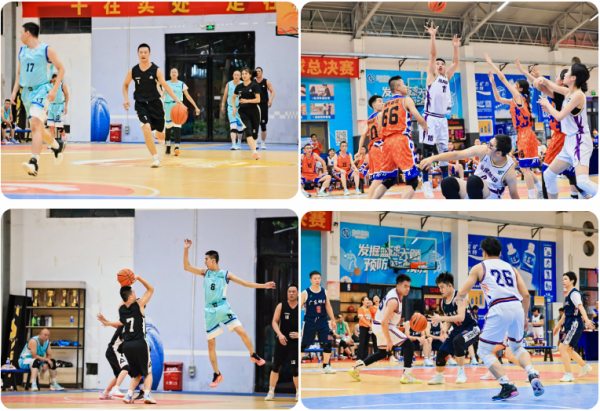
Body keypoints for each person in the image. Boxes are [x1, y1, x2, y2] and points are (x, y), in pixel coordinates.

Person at [455, 236, 544, 401]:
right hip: (517, 306)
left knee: (484, 351)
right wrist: (525, 317)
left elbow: (463, 291)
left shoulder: (479, 267)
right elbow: (526, 295)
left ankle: (507, 385)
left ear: (484, 252)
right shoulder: (512, 268)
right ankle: (532, 373)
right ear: (501, 252)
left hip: (499, 306)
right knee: (517, 347)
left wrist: (457, 299)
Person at [182, 239, 273, 387]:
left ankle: (253, 354)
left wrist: (264, 286)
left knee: (241, 331)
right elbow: (187, 267)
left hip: (223, 308)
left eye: (206, 259)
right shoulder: (205, 272)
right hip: (210, 311)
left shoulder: (225, 274)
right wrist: (186, 249)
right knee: (211, 344)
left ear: (213, 260)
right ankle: (217, 374)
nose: (204, 262)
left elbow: (245, 283)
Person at [515, 62, 584, 199]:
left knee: (547, 170)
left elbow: (542, 85)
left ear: (564, 80)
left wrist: (531, 74)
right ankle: (577, 197)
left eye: (558, 76)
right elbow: (542, 85)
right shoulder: (567, 94)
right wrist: (533, 74)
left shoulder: (565, 94)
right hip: (567, 136)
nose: (556, 78)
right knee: (570, 171)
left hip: (562, 136)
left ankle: (549, 199)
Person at [12, 22, 67, 176]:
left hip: (41, 91)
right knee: (39, 129)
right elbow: (19, 74)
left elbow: (61, 69)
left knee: (35, 124)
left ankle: (34, 162)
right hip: (26, 94)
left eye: (21, 32)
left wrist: (54, 90)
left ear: (28, 33)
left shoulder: (46, 50)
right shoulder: (22, 51)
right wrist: (14, 91)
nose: (20, 36)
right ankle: (57, 146)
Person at [485, 54, 542, 199]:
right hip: (525, 133)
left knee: (524, 168)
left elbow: (503, 79)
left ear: (520, 89)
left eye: (516, 85)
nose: (514, 86)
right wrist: (492, 83)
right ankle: (540, 189)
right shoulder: (515, 100)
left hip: (526, 134)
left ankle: (532, 197)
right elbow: (498, 98)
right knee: (525, 168)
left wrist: (491, 63)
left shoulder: (518, 98)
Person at [538, 63, 598, 198]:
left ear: (573, 78)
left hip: (580, 141)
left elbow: (559, 116)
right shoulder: (567, 92)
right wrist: (540, 79)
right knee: (548, 175)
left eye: (568, 72)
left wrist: (547, 104)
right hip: (569, 140)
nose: (564, 74)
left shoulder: (578, 95)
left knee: (582, 182)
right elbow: (550, 85)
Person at [347, 274, 421, 384]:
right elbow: (384, 322)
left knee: (382, 353)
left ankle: (356, 369)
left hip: (379, 326)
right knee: (409, 345)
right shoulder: (394, 300)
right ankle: (406, 375)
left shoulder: (394, 293)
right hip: (383, 326)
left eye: (409, 286)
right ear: (398, 286)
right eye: (405, 286)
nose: (408, 289)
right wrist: (389, 339)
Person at [123, 43, 183, 168]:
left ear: (149, 54)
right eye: (141, 52)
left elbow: (166, 86)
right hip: (141, 104)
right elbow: (125, 84)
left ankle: (156, 134)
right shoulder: (133, 71)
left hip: (156, 104)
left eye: (145, 52)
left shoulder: (156, 70)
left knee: (161, 136)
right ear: (138, 54)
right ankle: (156, 158)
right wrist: (126, 99)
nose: (143, 54)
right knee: (146, 129)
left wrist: (177, 100)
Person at [419, 25, 461, 199]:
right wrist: (433, 37)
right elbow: (432, 54)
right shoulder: (431, 75)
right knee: (428, 151)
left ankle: (446, 183)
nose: (440, 65)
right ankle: (426, 183)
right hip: (430, 118)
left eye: (442, 64)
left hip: (442, 120)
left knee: (444, 152)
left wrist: (455, 47)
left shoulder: (446, 78)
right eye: (438, 63)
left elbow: (456, 63)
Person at [373, 76, 428, 199]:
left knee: (390, 179)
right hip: (401, 140)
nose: (406, 87)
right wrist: (426, 128)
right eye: (404, 84)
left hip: (386, 142)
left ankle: (372, 202)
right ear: (397, 88)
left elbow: (380, 128)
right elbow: (419, 118)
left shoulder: (385, 105)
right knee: (413, 180)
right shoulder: (406, 100)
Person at [420, 134, 519, 199]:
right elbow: (457, 154)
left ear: (498, 153)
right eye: (488, 143)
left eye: (490, 145)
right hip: (473, 190)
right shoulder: (483, 150)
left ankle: (475, 215)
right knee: (447, 182)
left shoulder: (509, 170)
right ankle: (457, 214)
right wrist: (432, 158)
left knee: (473, 180)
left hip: (490, 196)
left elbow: (514, 194)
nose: (487, 146)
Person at [428, 272, 480, 385]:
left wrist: (441, 318)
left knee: (457, 340)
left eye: (442, 287)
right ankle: (439, 377)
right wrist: (444, 329)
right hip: (458, 330)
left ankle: (461, 373)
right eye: (439, 288)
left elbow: (461, 317)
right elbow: (449, 320)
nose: (440, 290)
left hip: (472, 327)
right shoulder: (443, 302)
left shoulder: (459, 297)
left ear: (450, 285)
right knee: (441, 353)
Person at [553, 271, 595, 382]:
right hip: (569, 322)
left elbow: (581, 307)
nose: (563, 281)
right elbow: (566, 313)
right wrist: (558, 325)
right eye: (562, 279)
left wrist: (587, 320)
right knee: (569, 350)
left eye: (565, 279)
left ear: (572, 281)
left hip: (574, 323)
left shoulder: (574, 294)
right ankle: (585, 366)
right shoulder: (568, 295)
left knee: (562, 348)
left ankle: (568, 374)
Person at [358, 95, 397, 199]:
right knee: (379, 178)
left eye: (382, 101)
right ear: (374, 105)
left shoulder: (369, 119)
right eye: (380, 101)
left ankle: (373, 199)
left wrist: (359, 150)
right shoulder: (381, 114)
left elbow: (363, 135)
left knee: (380, 177)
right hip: (380, 147)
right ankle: (371, 201)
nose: (382, 103)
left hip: (373, 149)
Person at [266, 284, 299, 402]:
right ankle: (271, 392)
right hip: (282, 341)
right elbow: (274, 322)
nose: (291, 293)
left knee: (295, 369)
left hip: (295, 343)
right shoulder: (281, 306)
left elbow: (307, 324)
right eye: (289, 291)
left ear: (297, 293)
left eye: (293, 291)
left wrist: (299, 334)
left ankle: (298, 392)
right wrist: (279, 334)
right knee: (276, 367)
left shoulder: (301, 307)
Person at [301, 271, 337, 374]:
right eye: (315, 278)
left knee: (328, 343)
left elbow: (328, 307)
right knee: (304, 345)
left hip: (323, 321)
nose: (317, 280)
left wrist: (333, 320)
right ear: (311, 280)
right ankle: (297, 367)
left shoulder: (324, 292)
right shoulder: (305, 293)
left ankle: (326, 367)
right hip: (310, 321)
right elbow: (299, 308)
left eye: (319, 278)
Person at [163, 68, 200, 156]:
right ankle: (168, 146)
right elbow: (161, 95)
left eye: (175, 72)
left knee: (177, 127)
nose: (174, 73)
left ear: (178, 74)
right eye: (172, 72)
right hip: (168, 106)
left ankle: (176, 147)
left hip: (178, 106)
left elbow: (188, 96)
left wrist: (196, 107)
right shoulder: (165, 83)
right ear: (170, 74)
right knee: (168, 128)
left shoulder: (182, 84)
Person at [233, 67, 261, 160]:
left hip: (254, 111)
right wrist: (234, 108)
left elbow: (258, 99)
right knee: (248, 131)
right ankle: (254, 151)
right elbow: (233, 97)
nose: (244, 75)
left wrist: (247, 100)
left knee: (254, 134)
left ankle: (254, 146)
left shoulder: (254, 86)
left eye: (246, 73)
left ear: (250, 75)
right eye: (243, 74)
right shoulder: (239, 87)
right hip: (243, 112)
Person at [98, 326, 129, 400]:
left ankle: (105, 394)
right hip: (114, 351)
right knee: (126, 368)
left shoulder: (126, 327)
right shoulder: (125, 326)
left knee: (118, 375)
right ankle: (116, 389)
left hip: (111, 352)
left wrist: (109, 323)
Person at [222, 70, 243, 151]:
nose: (236, 76)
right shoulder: (229, 84)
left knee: (240, 127)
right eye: (235, 74)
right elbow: (225, 95)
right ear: (233, 75)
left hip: (240, 108)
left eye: (238, 75)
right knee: (233, 126)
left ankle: (239, 142)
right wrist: (223, 105)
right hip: (231, 107)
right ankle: (233, 143)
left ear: (240, 76)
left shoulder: (243, 84)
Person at [255, 67, 274, 150]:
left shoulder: (266, 81)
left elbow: (272, 91)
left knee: (263, 125)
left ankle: (263, 142)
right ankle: (255, 142)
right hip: (255, 105)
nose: (257, 72)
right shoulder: (252, 82)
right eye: (256, 71)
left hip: (263, 105)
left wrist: (270, 100)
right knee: (255, 125)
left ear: (262, 73)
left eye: (259, 71)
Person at [47, 73, 68, 141]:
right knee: (51, 127)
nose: (54, 82)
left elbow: (67, 95)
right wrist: (46, 108)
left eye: (55, 81)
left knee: (59, 127)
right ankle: (53, 143)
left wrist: (65, 106)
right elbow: (47, 98)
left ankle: (65, 138)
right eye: (53, 81)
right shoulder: (49, 86)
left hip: (59, 106)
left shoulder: (62, 85)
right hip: (51, 106)